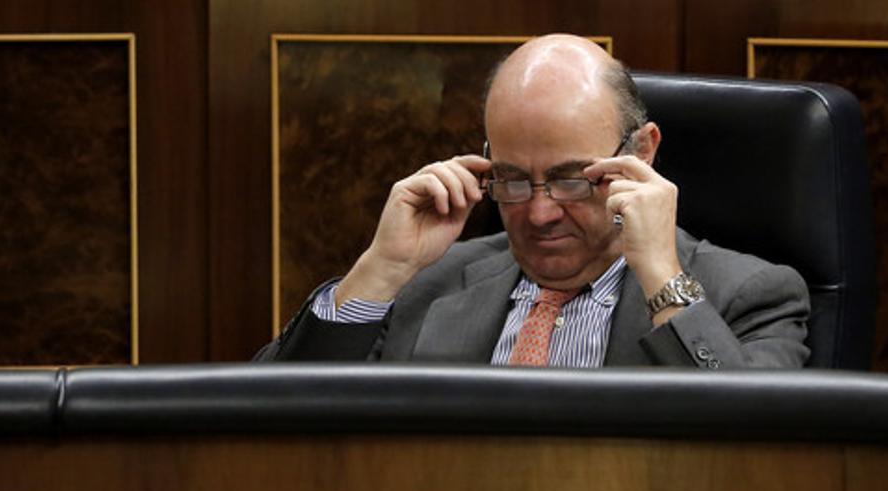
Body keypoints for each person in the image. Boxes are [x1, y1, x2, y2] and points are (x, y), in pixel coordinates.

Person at [258, 34, 809, 369]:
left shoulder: (750, 297)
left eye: (573, 180)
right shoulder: (426, 286)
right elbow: (268, 424)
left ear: (641, 152)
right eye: (513, 181)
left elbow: (752, 455)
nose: (540, 213)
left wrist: (663, 280)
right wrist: (381, 270)